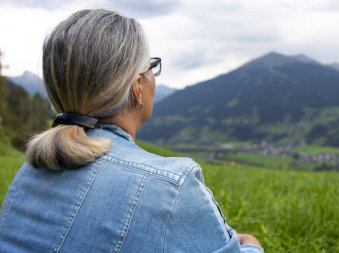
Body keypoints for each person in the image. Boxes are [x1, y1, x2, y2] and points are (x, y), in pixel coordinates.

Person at [0, 9, 263, 253]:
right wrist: (250, 244)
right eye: (151, 66)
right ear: (137, 86)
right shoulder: (171, 186)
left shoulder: (33, 172)